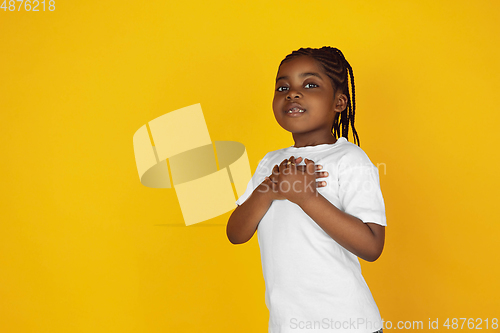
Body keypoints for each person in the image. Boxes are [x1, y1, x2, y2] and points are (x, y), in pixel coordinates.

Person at [226, 47, 386, 333]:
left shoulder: (349, 159)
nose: (292, 94)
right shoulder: (271, 163)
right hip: (286, 326)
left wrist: (307, 197)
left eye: (310, 85)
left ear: (339, 102)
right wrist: (270, 188)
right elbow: (236, 234)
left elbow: (372, 246)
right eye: (282, 87)